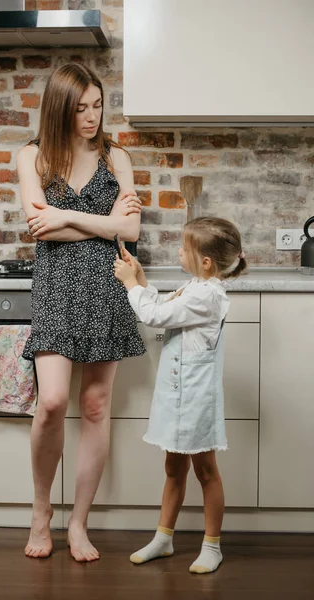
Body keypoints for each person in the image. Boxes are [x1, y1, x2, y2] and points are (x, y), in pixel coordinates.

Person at [16, 63, 146, 563]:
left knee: (95, 406)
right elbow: (39, 229)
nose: (91, 117)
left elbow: (130, 234)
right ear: (59, 107)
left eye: (97, 105)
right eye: (80, 107)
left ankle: (78, 523)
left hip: (106, 284)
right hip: (55, 287)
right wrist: (105, 221)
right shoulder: (33, 155)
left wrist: (66, 213)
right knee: (50, 401)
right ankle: (42, 509)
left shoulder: (117, 157)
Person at [114, 216, 247, 574]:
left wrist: (130, 286)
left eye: (184, 248)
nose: (178, 251)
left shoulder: (206, 295)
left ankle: (212, 545)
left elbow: (154, 316)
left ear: (205, 261)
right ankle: (164, 538)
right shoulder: (195, 287)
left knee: (206, 470)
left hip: (196, 400)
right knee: (173, 467)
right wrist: (140, 277)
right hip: (177, 396)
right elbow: (165, 308)